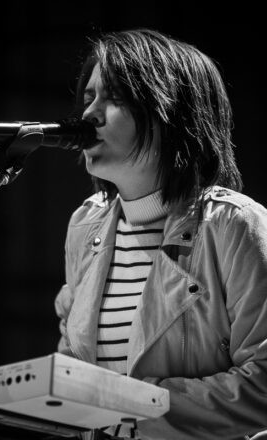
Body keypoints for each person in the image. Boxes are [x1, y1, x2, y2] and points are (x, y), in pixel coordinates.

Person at [55, 29, 267, 440]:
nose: (89, 115)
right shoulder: (85, 226)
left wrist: (134, 409)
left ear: (171, 111)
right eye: (88, 97)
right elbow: (74, 382)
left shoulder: (233, 224)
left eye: (113, 97)